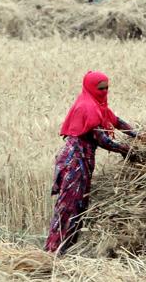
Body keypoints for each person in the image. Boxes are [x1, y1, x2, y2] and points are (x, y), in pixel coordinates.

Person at [45, 71, 137, 254]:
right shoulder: (87, 107)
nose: (104, 91)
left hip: (83, 160)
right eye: (100, 88)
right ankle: (53, 252)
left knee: (79, 207)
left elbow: (116, 121)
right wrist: (127, 151)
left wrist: (138, 134)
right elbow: (102, 139)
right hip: (74, 161)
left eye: (107, 88)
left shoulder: (98, 105)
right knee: (69, 208)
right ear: (90, 88)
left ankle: (64, 251)